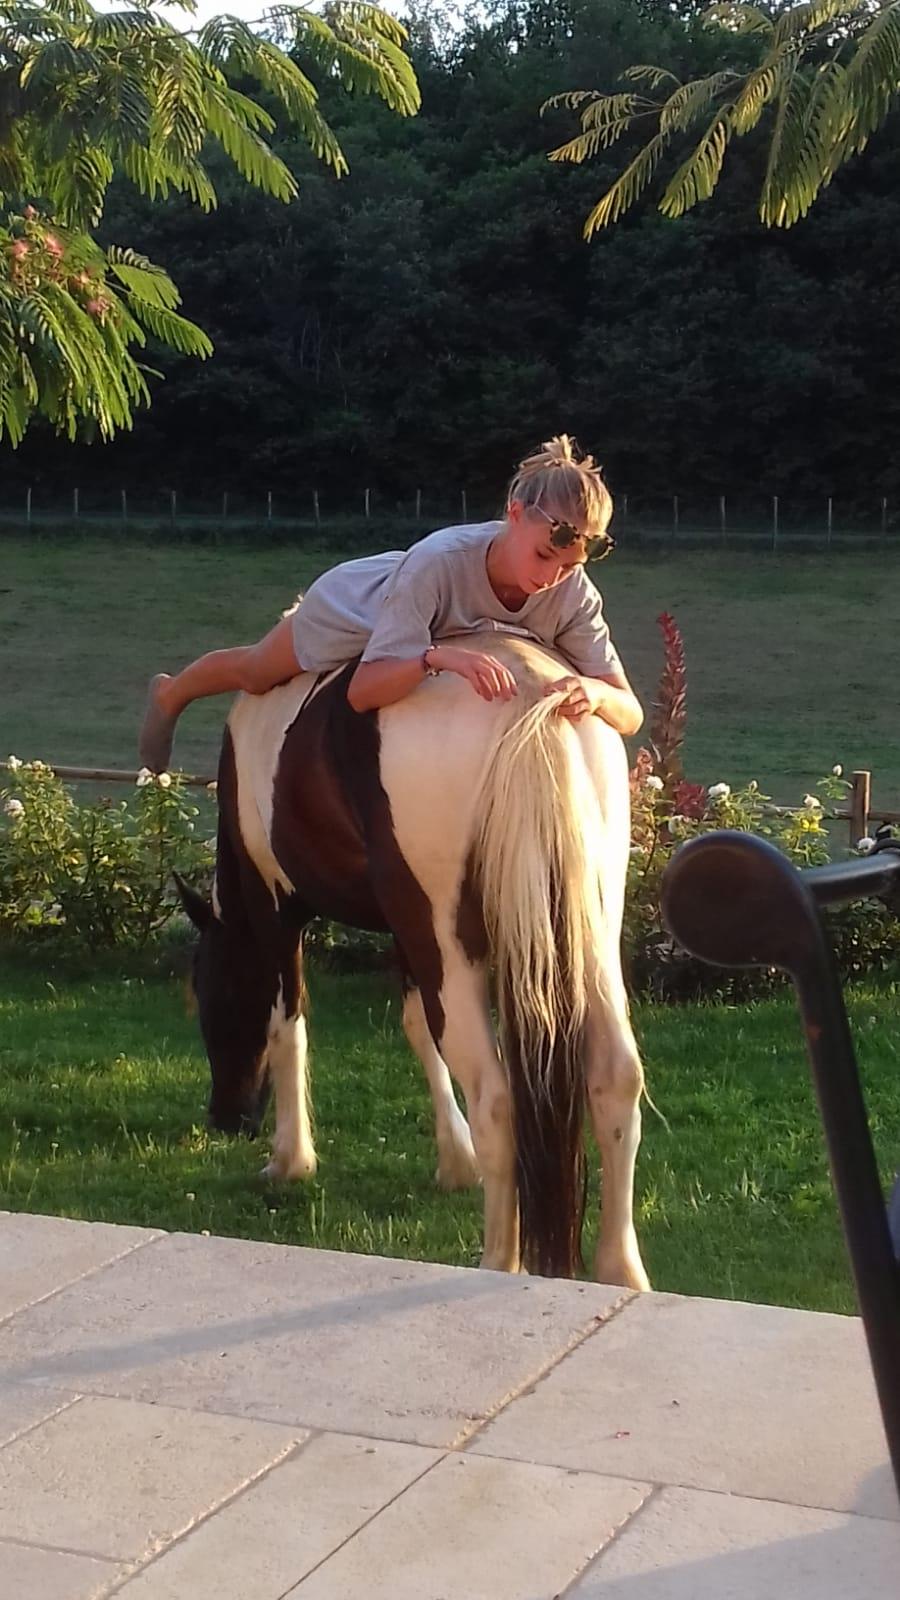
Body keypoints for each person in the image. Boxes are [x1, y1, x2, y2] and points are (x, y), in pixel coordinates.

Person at [138, 435, 643, 773]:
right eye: (542, 555)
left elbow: (630, 711)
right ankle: (171, 694)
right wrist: (434, 657)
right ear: (513, 514)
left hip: (425, 620)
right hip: (359, 608)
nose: (550, 576)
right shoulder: (438, 562)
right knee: (256, 671)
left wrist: (596, 695)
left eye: (570, 566)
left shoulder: (573, 593)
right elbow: (364, 692)